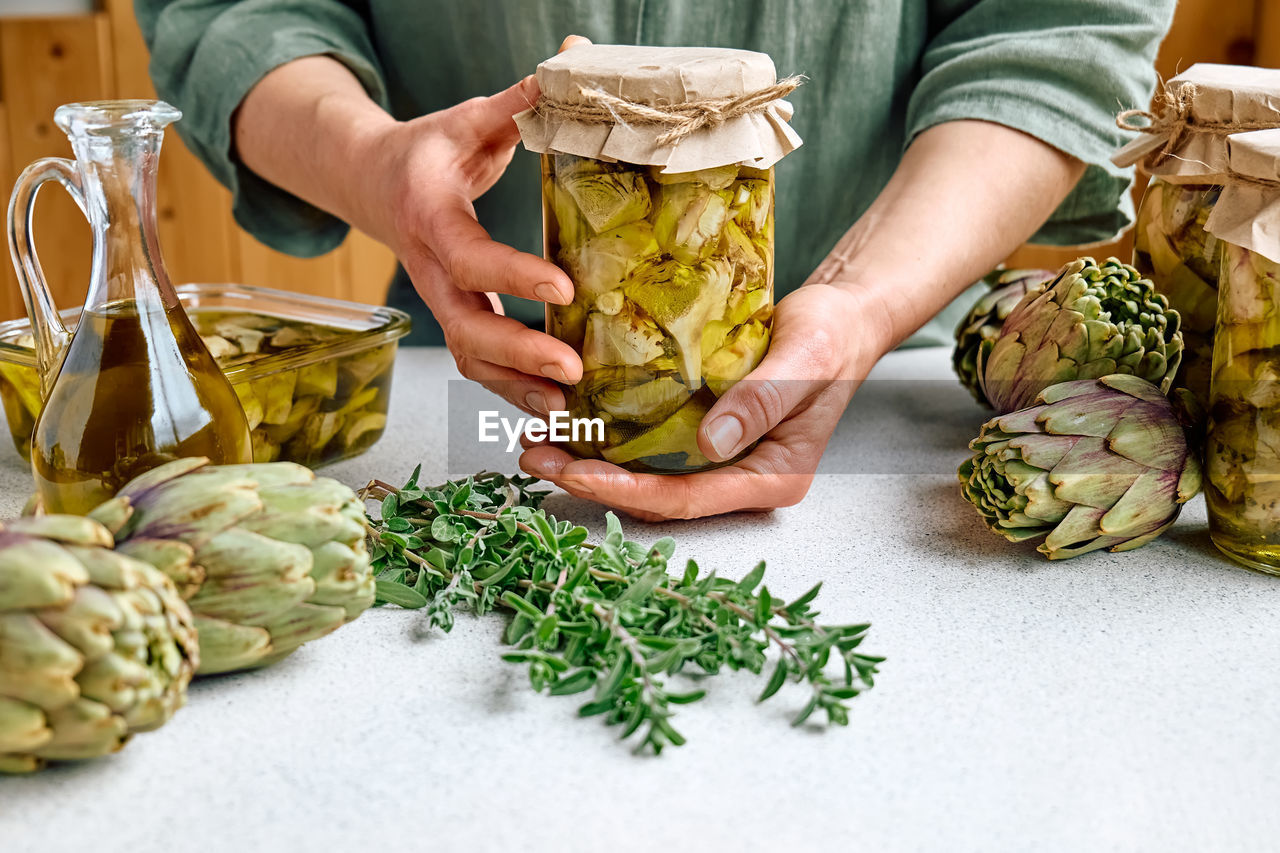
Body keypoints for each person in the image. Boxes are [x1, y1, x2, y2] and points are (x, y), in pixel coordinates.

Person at [136, 1, 1175, 520]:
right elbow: (239, 10)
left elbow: (1061, 24)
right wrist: (374, 162)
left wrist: (859, 301)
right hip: (481, 409)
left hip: (888, 414)